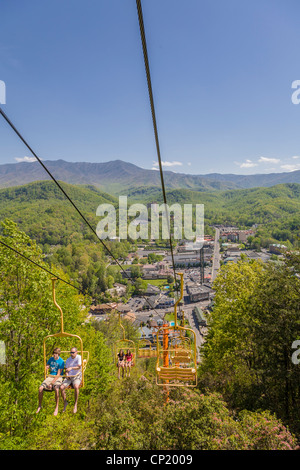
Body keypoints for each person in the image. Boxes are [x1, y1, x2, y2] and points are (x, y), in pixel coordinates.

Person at [36, 347, 64, 416]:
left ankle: (56, 407)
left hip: (58, 377)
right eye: (53, 353)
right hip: (50, 376)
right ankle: (39, 405)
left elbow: (58, 374)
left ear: (58, 354)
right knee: (40, 388)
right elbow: (48, 365)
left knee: (57, 389)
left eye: (56, 354)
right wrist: (47, 367)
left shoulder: (61, 361)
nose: (54, 355)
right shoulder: (51, 359)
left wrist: (52, 383)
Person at [60, 347, 82, 414]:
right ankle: (65, 402)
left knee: (76, 386)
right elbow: (66, 369)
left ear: (76, 352)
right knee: (61, 387)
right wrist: (66, 375)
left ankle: (75, 404)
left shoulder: (79, 357)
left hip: (76, 375)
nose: (71, 354)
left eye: (73, 352)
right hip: (69, 376)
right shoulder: (68, 360)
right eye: (71, 352)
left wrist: (71, 368)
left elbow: (79, 367)